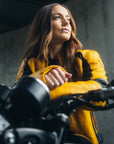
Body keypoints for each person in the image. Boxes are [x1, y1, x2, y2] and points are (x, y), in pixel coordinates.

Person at [16, 3, 108, 144]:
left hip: (82, 138)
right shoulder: (29, 63)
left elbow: (102, 93)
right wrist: (43, 77)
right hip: (40, 135)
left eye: (68, 19)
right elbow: (16, 96)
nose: (66, 22)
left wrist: (53, 92)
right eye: (57, 17)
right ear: (43, 25)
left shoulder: (88, 57)